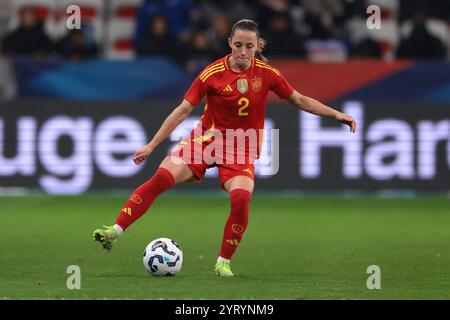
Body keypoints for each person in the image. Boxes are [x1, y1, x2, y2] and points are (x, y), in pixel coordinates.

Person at [93, 19, 356, 277]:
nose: (243, 52)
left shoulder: (268, 74)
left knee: (241, 199)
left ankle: (223, 263)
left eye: (249, 47)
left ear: (257, 46)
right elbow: (183, 110)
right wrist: (151, 145)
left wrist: (336, 115)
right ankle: (114, 231)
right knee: (162, 177)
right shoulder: (211, 74)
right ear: (229, 42)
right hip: (207, 140)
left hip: (242, 148)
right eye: (238, 44)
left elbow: (299, 99)